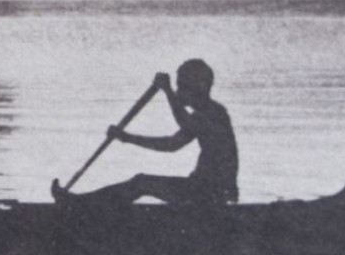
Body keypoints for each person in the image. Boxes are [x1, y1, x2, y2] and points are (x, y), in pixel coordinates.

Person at [56, 59, 237, 207]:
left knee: (142, 182)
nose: (178, 91)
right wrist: (127, 138)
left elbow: (185, 124)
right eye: (177, 86)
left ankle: (79, 204)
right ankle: (83, 203)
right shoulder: (204, 115)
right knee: (141, 181)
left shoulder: (214, 114)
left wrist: (167, 92)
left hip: (209, 193)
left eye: (182, 86)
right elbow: (172, 144)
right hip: (201, 189)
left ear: (199, 87)